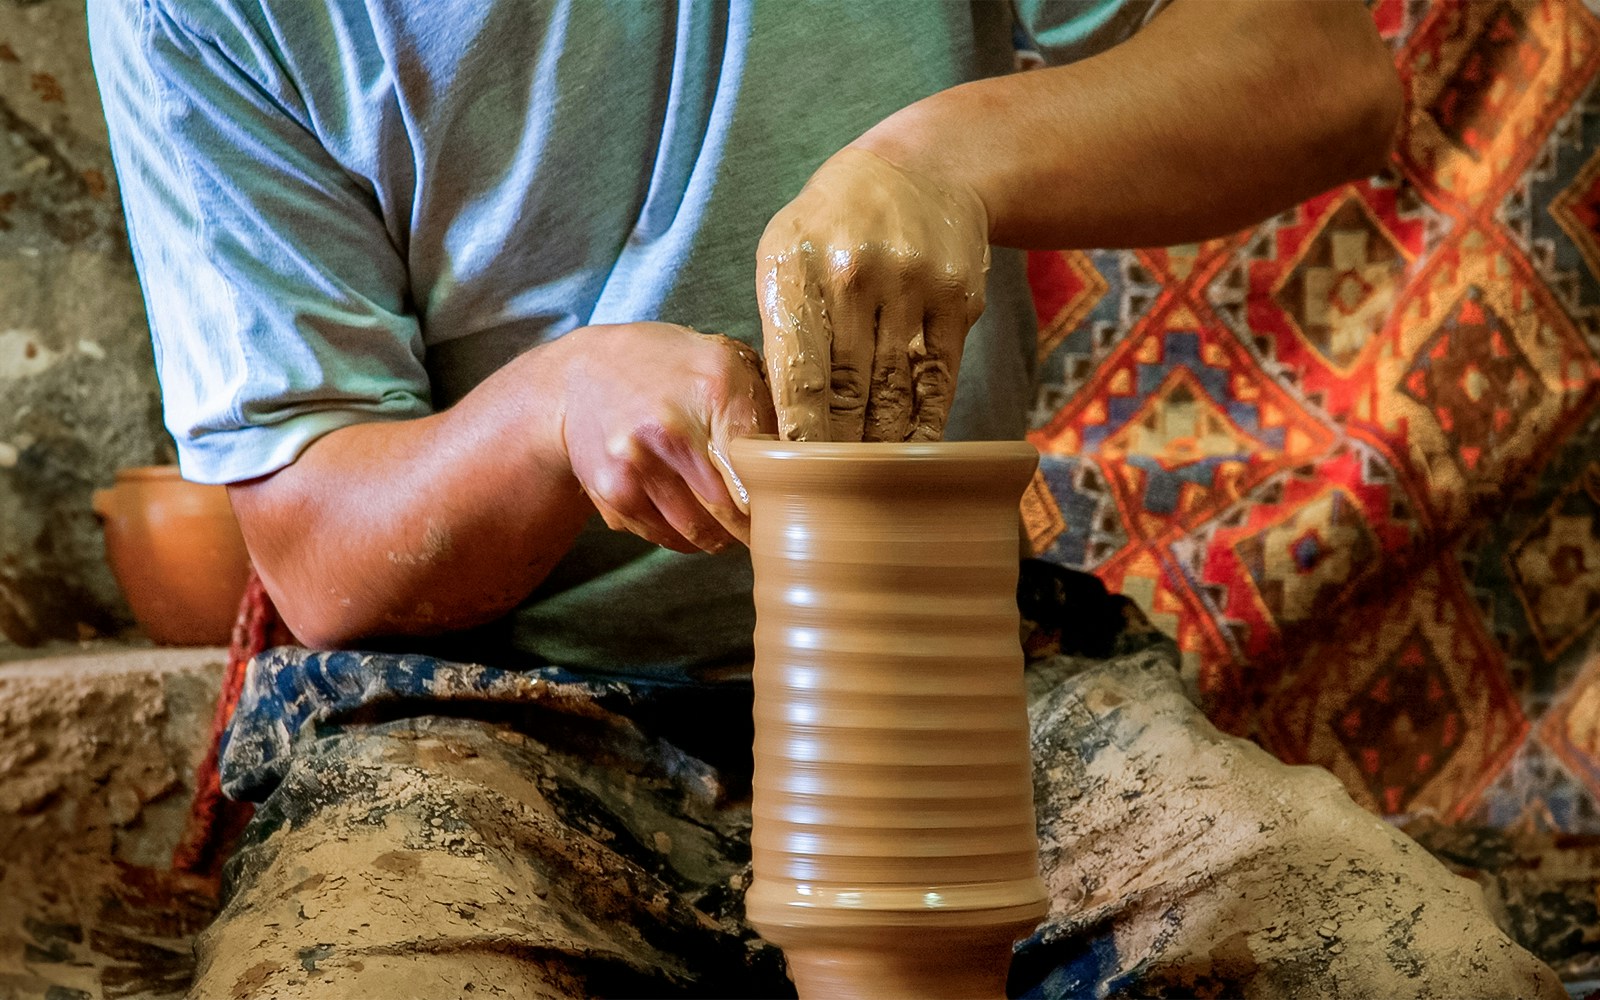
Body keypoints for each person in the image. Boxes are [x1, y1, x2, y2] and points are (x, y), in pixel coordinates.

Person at [89, 1, 1565, 997]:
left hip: (968, 681)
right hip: (485, 707)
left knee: (1411, 964)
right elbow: (318, 556)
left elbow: (1318, 67)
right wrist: (551, 415)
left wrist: (950, 151)